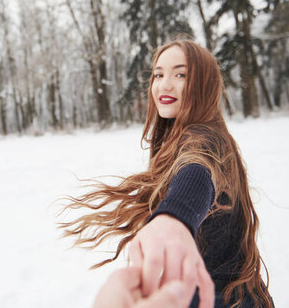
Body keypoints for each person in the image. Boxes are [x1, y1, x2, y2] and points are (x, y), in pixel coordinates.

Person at [61, 34, 274, 308]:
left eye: (181, 75)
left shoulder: (206, 139)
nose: (165, 84)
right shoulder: (186, 134)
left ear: (204, 85)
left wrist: (174, 217)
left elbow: (197, 171)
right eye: (158, 75)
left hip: (226, 299)